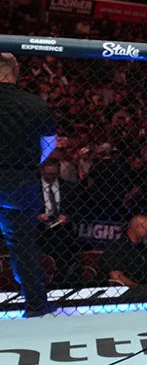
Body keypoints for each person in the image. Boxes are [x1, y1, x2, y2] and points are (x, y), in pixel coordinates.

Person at [0, 52, 54, 317]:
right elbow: (49, 144)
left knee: (22, 244)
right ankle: (35, 305)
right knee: (22, 245)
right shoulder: (34, 104)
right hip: (19, 180)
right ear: (15, 70)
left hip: (19, 178)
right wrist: (31, 161)